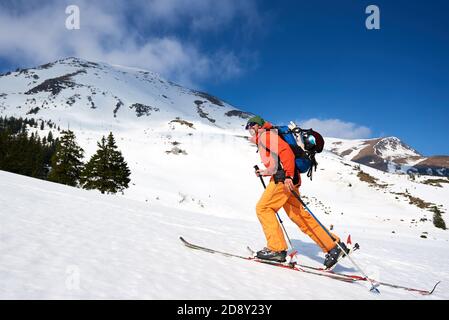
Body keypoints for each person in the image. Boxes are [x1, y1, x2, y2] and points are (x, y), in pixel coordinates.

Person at [246, 115, 348, 269]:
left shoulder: (265, 135)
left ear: (258, 126)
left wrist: (287, 175)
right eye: (247, 127)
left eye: (250, 126)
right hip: (290, 179)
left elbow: (286, 151)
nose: (248, 130)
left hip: (283, 181)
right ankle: (333, 247)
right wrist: (265, 172)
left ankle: (276, 249)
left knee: (264, 208)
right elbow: (276, 163)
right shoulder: (269, 136)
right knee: (299, 216)